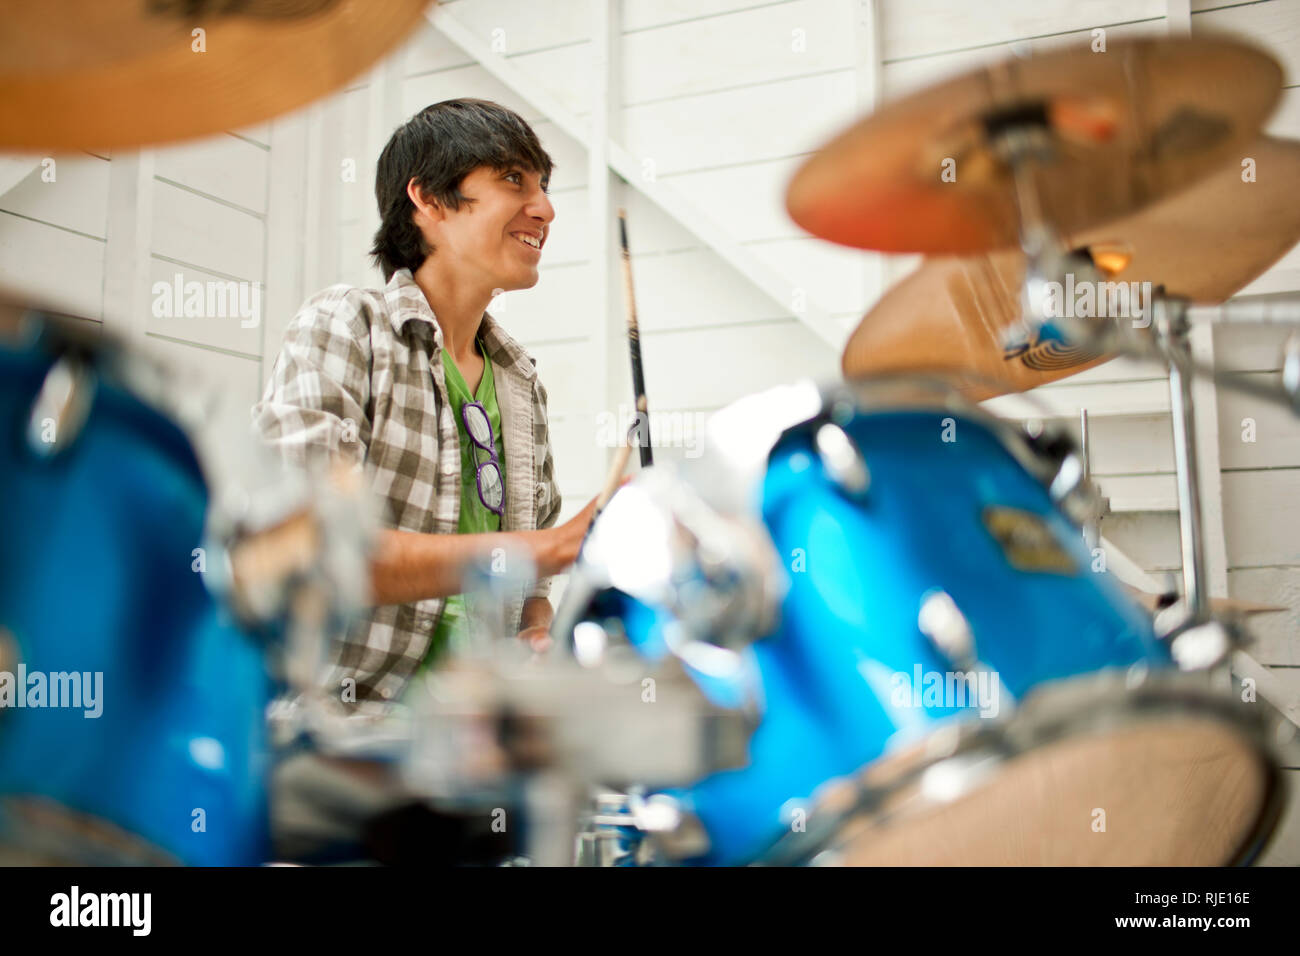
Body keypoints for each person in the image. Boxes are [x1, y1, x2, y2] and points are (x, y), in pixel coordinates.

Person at [253, 98, 598, 707]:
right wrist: (548, 546)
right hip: (336, 733)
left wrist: (537, 631)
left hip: (474, 746)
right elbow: (310, 551)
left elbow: (531, 585)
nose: (544, 208)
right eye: (513, 179)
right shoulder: (345, 326)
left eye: (544, 186)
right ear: (429, 200)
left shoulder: (519, 380)